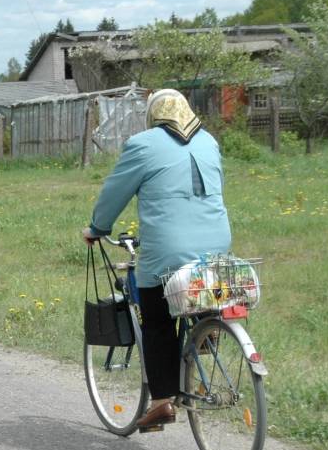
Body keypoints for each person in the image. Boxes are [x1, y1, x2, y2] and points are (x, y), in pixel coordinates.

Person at [83, 89, 232, 431]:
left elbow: (115, 193)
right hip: (218, 245)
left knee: (156, 318)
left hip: (168, 249)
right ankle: (205, 331)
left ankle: (162, 401)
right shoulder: (209, 141)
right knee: (196, 290)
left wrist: (97, 228)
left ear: (154, 115)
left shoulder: (143, 144)